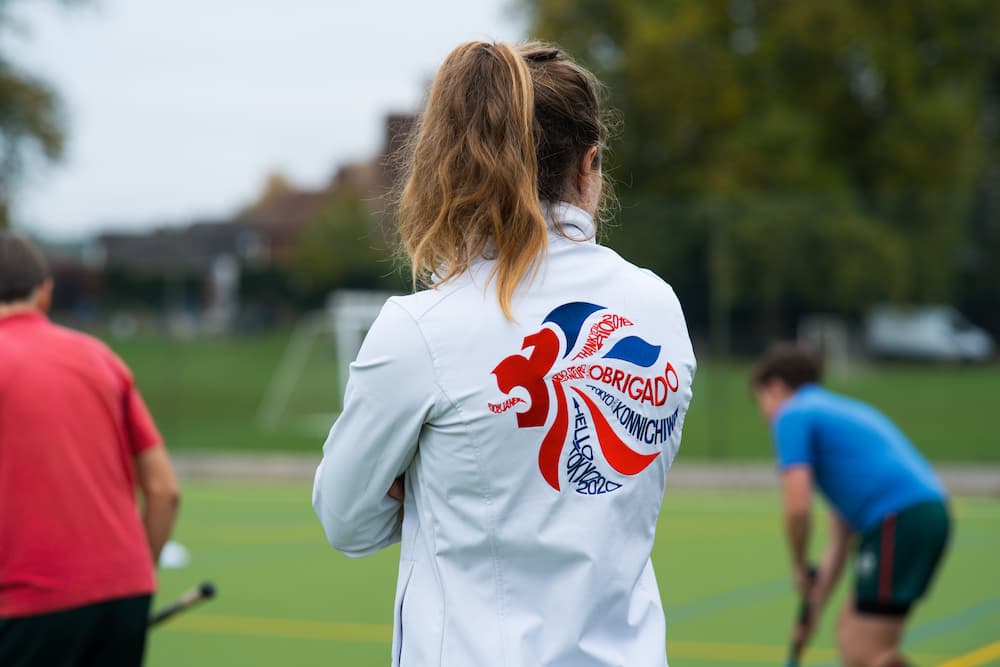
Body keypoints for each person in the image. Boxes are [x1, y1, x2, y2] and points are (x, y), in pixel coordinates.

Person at [312, 41, 696, 667]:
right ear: (589, 164)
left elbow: (345, 522)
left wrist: (420, 481)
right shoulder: (659, 307)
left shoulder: (420, 327)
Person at [0, 231, 180, 667]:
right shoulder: (101, 357)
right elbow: (164, 491)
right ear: (45, 292)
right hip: (124, 594)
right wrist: (134, 578)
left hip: (28, 602)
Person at [750, 343, 950, 667]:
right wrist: (812, 609)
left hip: (900, 518)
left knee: (864, 649)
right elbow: (840, 541)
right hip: (920, 516)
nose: (764, 415)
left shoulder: (793, 414)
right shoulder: (833, 413)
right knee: (852, 636)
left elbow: (798, 509)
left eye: (761, 400)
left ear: (775, 387)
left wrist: (799, 566)